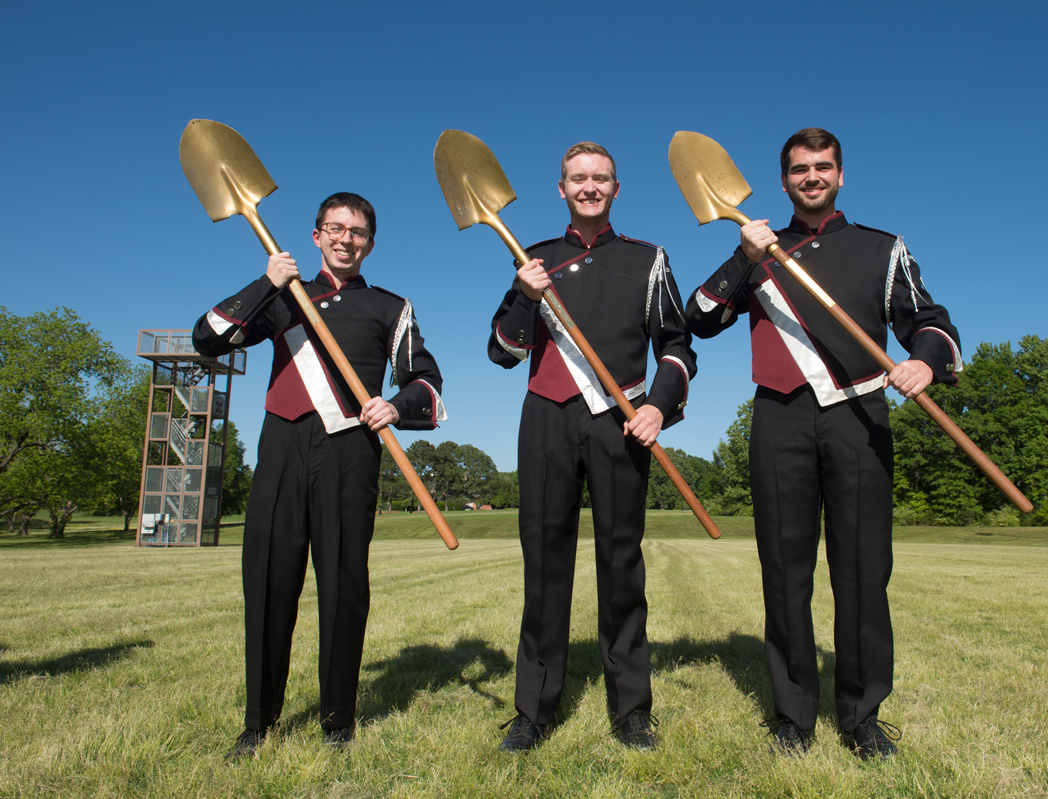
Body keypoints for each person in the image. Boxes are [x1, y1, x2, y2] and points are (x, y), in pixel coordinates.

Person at [685, 129, 962, 760]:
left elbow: (930, 322)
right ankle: (793, 714)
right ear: (782, 182)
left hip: (858, 417)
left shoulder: (881, 247)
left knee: (864, 569)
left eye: (823, 167)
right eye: (800, 169)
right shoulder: (757, 249)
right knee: (784, 573)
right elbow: (697, 320)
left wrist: (923, 361)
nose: (812, 176)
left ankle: (862, 714)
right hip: (779, 418)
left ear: (841, 175)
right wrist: (742, 256)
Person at [193, 192, 447, 758]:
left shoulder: (390, 306)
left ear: (370, 243)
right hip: (280, 445)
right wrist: (266, 282)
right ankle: (258, 722)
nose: (345, 239)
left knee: (342, 586)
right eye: (334, 229)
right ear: (316, 237)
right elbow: (207, 338)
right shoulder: (284, 298)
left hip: (349, 452)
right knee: (267, 582)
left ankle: (338, 720)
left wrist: (396, 407)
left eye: (357, 232)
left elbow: (425, 381)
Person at [487, 142, 697, 752]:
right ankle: (534, 709)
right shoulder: (533, 260)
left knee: (621, 564)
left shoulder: (648, 258)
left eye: (600, 178)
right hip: (547, 420)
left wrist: (659, 404)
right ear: (561, 189)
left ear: (616, 188)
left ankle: (631, 708)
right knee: (545, 566)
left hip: (622, 422)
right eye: (578, 179)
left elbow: (678, 345)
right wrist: (523, 295)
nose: (589, 187)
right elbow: (502, 353)